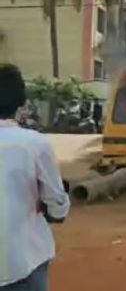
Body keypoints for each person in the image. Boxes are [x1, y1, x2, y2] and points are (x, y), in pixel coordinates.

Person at [0, 64, 70, 291]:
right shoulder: (34, 144)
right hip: (22, 263)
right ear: (20, 101)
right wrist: (54, 210)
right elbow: (57, 205)